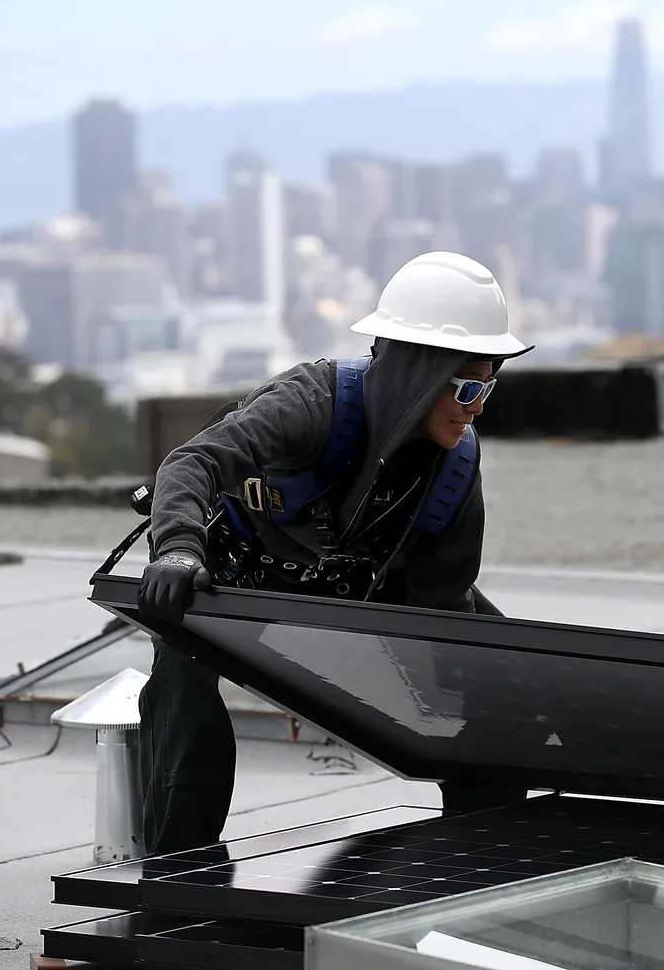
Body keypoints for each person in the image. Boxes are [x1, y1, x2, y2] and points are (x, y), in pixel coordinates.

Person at [134, 251, 532, 855]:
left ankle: (477, 854)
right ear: (419, 371)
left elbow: (444, 604)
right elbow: (193, 463)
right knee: (181, 688)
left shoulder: (456, 467)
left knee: (502, 681)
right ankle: (175, 873)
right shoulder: (311, 402)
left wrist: (476, 693)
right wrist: (180, 552)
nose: (478, 405)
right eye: (468, 386)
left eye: (489, 385)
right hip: (236, 577)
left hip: (360, 587)